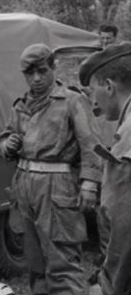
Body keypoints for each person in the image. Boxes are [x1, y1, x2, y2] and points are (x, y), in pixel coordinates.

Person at [0, 43, 102, 295]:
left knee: (62, 263)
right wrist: (7, 144)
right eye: (30, 73)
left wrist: (90, 183)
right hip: (25, 187)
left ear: (53, 68)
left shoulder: (72, 101)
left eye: (42, 71)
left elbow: (91, 144)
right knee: (35, 264)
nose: (36, 79)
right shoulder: (20, 105)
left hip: (57, 188)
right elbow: (4, 138)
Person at [79, 43, 131, 295]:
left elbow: (124, 228)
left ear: (109, 87)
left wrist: (108, 286)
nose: (93, 102)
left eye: (92, 91)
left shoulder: (127, 138)